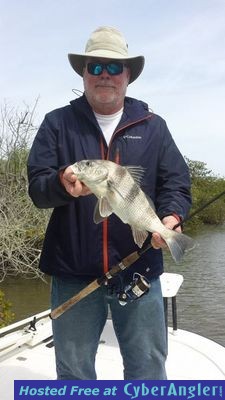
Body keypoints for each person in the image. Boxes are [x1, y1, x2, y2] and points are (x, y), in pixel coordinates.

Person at [27, 26, 192, 380]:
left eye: (114, 67)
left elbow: (176, 182)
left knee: (148, 368)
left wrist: (172, 217)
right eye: (95, 67)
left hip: (140, 268)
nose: (104, 75)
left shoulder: (153, 126)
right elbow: (38, 189)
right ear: (83, 73)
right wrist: (60, 185)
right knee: (73, 373)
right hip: (72, 273)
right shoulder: (57, 124)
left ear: (127, 75)